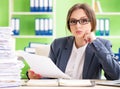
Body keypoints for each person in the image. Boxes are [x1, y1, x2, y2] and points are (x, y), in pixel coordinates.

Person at [28, 3, 120, 80]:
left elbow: (115, 75)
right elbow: (50, 76)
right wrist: (37, 76)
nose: (78, 26)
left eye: (83, 20)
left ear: (92, 23)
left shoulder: (102, 45)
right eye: (73, 21)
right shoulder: (58, 44)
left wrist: (95, 42)